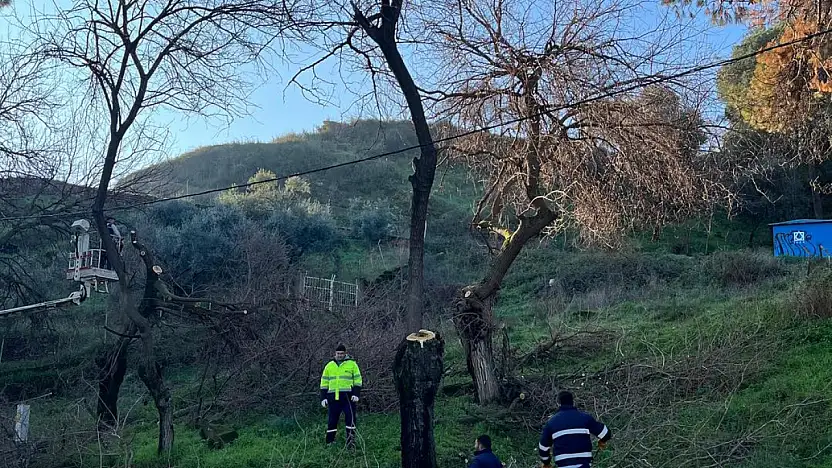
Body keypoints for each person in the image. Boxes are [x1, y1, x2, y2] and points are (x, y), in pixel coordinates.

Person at [538, 390, 611, 468]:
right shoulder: (585, 418)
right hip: (584, 465)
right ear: (573, 402)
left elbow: (543, 447)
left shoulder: (552, 423)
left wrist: (546, 463)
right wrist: (602, 441)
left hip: (563, 465)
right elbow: (606, 433)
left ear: (559, 403)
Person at [320, 344, 363, 447]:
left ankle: (350, 442)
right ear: (335, 353)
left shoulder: (352, 364)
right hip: (332, 397)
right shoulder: (329, 365)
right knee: (332, 420)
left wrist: (356, 393)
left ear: (345, 353)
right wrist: (323, 397)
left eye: (341, 353)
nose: (339, 355)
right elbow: (324, 382)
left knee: (350, 419)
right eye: (338, 353)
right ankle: (330, 442)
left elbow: (358, 380)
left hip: (348, 397)